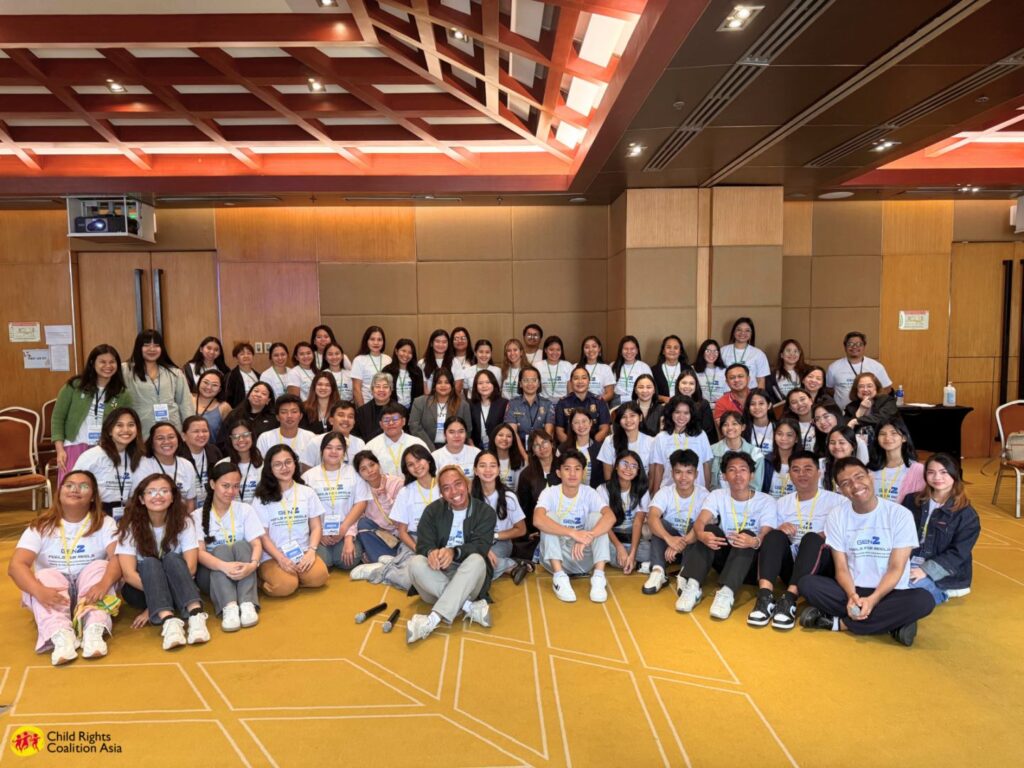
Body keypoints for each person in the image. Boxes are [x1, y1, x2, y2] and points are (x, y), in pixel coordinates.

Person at [798, 457, 935, 646]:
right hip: (852, 589)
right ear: (840, 489)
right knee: (807, 584)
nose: (855, 486)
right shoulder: (837, 515)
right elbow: (841, 568)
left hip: (889, 591)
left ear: (870, 476)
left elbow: (896, 568)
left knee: (923, 600)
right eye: (846, 483)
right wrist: (852, 596)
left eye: (859, 477)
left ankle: (839, 623)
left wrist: (873, 599)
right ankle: (891, 624)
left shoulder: (900, 514)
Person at [8, 471, 122, 665]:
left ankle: (93, 629)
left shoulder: (105, 523)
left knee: (102, 567)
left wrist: (104, 584)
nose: (75, 489)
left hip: (90, 590)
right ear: (59, 493)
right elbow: (16, 566)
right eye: (69, 485)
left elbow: (118, 558)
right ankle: (61, 635)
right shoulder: (41, 525)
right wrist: (38, 590)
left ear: (93, 496)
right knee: (43, 576)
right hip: (55, 593)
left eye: (84, 486)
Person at [748, 452, 846, 629]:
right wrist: (780, 528)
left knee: (812, 538)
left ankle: (789, 600)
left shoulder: (838, 501)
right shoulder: (781, 503)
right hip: (793, 568)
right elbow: (773, 540)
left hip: (820, 569)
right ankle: (765, 597)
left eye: (808, 469)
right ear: (790, 474)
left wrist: (826, 534)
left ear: (819, 472)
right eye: (796, 470)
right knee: (774, 535)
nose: (802, 474)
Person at [676, 451, 776, 619]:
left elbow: (767, 532)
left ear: (751, 475)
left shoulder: (766, 501)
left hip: (750, 563)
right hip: (725, 560)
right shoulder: (717, 495)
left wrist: (754, 541)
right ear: (724, 476)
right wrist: (701, 534)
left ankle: (726, 593)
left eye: (743, 470)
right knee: (709, 529)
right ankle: (693, 586)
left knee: (746, 534)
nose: (738, 475)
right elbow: (700, 522)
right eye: (732, 470)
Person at [115, 473, 209, 649]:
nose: (158, 496)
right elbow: (128, 574)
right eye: (151, 492)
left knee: (172, 558)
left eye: (164, 491)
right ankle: (170, 622)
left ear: (172, 497)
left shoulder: (184, 522)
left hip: (180, 581)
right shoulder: (129, 526)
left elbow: (191, 567)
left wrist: (155, 601)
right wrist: (156, 593)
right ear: (141, 499)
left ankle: (196, 615)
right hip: (143, 587)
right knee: (149, 563)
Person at [405, 465, 497, 644]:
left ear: (467, 484)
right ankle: (468, 606)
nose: (454, 492)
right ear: (441, 493)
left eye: (458, 484)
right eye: (446, 488)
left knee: (477, 560)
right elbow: (423, 544)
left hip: (469, 580)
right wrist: (431, 553)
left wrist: (454, 552)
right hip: (436, 578)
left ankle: (432, 620)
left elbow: (481, 546)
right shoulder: (432, 511)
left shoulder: (485, 512)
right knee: (415, 563)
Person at [351, 445, 439, 588]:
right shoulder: (406, 491)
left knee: (425, 576)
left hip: (440, 539)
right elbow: (403, 531)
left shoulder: (444, 486)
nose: (416, 466)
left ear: (428, 460)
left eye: (419, 460)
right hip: (412, 539)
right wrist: (419, 550)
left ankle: (386, 569)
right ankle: (393, 564)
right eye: (411, 464)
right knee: (415, 579)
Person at [534, 450, 616, 603]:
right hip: (556, 558)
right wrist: (573, 533)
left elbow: (610, 517)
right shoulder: (549, 492)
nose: (572, 473)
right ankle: (559, 578)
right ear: (559, 473)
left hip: (583, 557)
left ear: (583, 472)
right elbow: (537, 520)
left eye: (577, 469)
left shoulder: (589, 493)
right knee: (548, 518)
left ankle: (598, 577)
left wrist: (588, 537)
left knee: (598, 517)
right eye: (567, 469)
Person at [251, 445, 329, 597]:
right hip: (273, 555)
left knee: (320, 577)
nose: (284, 468)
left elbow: (316, 527)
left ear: (295, 463)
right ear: (270, 469)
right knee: (284, 586)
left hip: (302, 552)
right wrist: (280, 559)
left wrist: (311, 552)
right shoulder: (261, 497)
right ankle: (261, 581)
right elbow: (262, 535)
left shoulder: (307, 492)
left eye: (288, 462)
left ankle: (295, 578)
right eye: (277, 464)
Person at [903, 453, 981, 604]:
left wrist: (925, 570)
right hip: (909, 560)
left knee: (907, 587)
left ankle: (941, 593)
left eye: (944, 472)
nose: (937, 477)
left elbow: (958, 553)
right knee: (881, 581)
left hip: (942, 572)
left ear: (954, 474)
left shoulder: (966, 515)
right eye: (931, 472)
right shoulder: (911, 500)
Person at [193, 462, 262, 632]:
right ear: (212, 484)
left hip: (244, 570)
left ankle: (246, 603)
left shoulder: (245, 510)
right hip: (213, 573)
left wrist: (253, 565)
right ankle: (229, 606)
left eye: (235, 486)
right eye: (225, 486)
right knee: (221, 550)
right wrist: (223, 566)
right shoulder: (196, 516)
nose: (231, 491)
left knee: (242, 545)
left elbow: (256, 544)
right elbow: (199, 553)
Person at [52, 344, 132, 482]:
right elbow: (58, 418)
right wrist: (60, 450)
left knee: (100, 490)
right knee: (73, 488)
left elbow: (126, 423)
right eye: (102, 362)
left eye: (112, 362)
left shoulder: (122, 394)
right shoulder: (74, 386)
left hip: (105, 449)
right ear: (92, 363)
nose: (108, 366)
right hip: (74, 446)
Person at [302, 433, 372, 571]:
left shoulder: (354, 473)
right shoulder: (308, 476)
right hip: (319, 532)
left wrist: (344, 529)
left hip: (346, 530)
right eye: (329, 448)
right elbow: (304, 510)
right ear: (322, 450)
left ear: (344, 452)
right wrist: (319, 533)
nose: (334, 452)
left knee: (348, 561)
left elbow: (361, 503)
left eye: (339, 448)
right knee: (322, 562)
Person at [643, 449, 709, 596]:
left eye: (689, 472)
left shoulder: (704, 495)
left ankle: (685, 574)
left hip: (692, 545)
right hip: (668, 547)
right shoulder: (665, 492)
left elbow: (705, 524)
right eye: (678, 472)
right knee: (660, 523)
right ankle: (658, 571)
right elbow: (652, 517)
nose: (683, 477)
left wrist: (681, 543)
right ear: (672, 473)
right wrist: (669, 539)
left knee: (697, 525)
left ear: (696, 474)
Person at [73, 407, 144, 519]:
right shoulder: (92, 456)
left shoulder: (137, 456)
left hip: (126, 511)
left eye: (131, 425)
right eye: (119, 425)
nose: (126, 430)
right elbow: (74, 487)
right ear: (110, 430)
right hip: (95, 512)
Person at [122, 329, 194, 436]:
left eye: (156, 345)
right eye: (146, 345)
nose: (152, 349)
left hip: (172, 429)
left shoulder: (174, 373)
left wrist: (190, 430)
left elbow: (185, 404)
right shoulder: (125, 370)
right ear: (138, 347)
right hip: (141, 430)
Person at [472, 450, 528, 581]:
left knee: (479, 567)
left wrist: (494, 535)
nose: (488, 470)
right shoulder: (469, 497)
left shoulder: (509, 497)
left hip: (500, 542)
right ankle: (510, 565)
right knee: (467, 562)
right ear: (475, 470)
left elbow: (521, 529)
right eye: (482, 465)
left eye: (492, 466)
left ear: (498, 470)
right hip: (475, 542)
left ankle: (508, 564)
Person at [597, 450, 651, 574]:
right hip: (611, 536)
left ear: (638, 471)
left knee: (648, 552)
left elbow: (638, 522)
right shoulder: (603, 489)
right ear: (616, 466)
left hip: (633, 536)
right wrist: (619, 547)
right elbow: (603, 523)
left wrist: (632, 553)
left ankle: (632, 560)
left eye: (634, 466)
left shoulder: (642, 490)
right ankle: (636, 563)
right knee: (612, 556)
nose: (628, 469)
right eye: (624, 464)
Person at [351, 450, 405, 563]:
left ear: (379, 464)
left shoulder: (397, 483)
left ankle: (380, 560)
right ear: (359, 474)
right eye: (363, 469)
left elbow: (398, 518)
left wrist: (384, 497)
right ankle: (385, 560)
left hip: (398, 533)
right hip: (376, 534)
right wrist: (348, 538)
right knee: (362, 524)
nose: (370, 471)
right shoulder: (361, 489)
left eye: (372, 465)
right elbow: (355, 517)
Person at [649, 395, 713, 490]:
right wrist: (656, 493)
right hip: (669, 491)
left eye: (686, 413)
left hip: (697, 491)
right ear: (670, 413)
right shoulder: (661, 437)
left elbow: (706, 464)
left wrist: (706, 491)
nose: (681, 417)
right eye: (677, 412)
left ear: (692, 414)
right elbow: (659, 468)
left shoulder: (700, 435)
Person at [133, 423, 198, 514]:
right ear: (152, 443)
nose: (167, 441)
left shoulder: (187, 465)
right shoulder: (143, 465)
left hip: (180, 518)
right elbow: (137, 501)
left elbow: (190, 501)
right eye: (160, 438)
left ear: (178, 440)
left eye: (171, 437)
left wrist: (185, 520)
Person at [826, 331, 892, 411]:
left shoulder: (876, 366)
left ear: (864, 346)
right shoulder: (834, 367)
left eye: (859, 344)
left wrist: (874, 401)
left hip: (871, 413)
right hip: (842, 413)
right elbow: (829, 389)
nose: (854, 347)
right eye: (850, 344)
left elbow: (887, 388)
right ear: (845, 347)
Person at [409, 368, 470, 449]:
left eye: (447, 382)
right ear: (434, 385)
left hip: (453, 448)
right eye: (439, 382)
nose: (443, 385)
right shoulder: (420, 402)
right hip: (425, 447)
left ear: (452, 385)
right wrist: (431, 448)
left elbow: (467, 430)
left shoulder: (463, 405)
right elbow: (414, 427)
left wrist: (449, 449)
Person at [255, 395, 318, 470]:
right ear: (277, 417)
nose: (289, 416)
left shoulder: (311, 437)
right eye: (284, 412)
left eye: (294, 412)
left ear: (301, 416)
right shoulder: (265, 438)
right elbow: (260, 468)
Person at [366, 402, 429, 476]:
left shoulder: (417, 443)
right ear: (381, 424)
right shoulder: (371, 447)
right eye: (386, 420)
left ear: (403, 421)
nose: (391, 423)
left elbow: (429, 468)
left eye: (395, 419)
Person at [869, 420, 925, 503]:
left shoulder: (918, 470)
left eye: (893, 433)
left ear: (904, 438)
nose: (887, 438)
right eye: (882, 434)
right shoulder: (870, 469)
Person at [554, 366, 612, 444]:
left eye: (584, 378)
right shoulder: (562, 403)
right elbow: (559, 432)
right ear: (571, 382)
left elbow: (604, 429)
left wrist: (590, 446)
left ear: (589, 381)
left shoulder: (599, 402)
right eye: (576, 378)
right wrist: (573, 447)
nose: (580, 381)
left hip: (594, 446)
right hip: (570, 447)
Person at [597, 402, 654, 480]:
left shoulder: (651, 442)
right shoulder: (609, 441)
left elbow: (652, 475)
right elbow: (608, 474)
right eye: (624, 417)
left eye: (632, 415)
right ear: (619, 421)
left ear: (640, 417)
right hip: (616, 486)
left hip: (642, 486)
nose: (628, 420)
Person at [709, 412, 764, 491]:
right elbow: (710, 483)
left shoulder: (755, 453)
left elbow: (755, 488)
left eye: (734, 424)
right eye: (725, 425)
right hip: (718, 497)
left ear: (743, 427)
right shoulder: (712, 451)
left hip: (745, 498)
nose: (730, 428)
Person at [504, 365, 555, 448]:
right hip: (517, 448)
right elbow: (512, 433)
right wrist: (524, 454)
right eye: (526, 380)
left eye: (534, 380)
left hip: (541, 448)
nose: (530, 384)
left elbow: (548, 434)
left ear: (539, 384)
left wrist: (540, 450)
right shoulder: (513, 404)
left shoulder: (547, 404)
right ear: (520, 384)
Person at [303, 401, 365, 467]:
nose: (346, 419)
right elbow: (306, 470)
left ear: (354, 422)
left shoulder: (360, 444)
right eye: (341, 415)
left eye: (350, 416)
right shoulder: (316, 442)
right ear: (331, 420)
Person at [180, 415, 222, 508]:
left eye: (205, 431)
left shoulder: (214, 451)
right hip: (184, 507)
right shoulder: (177, 455)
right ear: (183, 436)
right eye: (196, 431)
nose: (201, 435)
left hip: (210, 506)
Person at [560, 408, 603, 489]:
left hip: (594, 493)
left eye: (584, 421)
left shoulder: (600, 449)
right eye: (576, 422)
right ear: (572, 426)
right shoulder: (563, 449)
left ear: (590, 423)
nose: (581, 425)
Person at [721, 317, 769, 389]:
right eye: (739, 330)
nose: (743, 333)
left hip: (750, 393)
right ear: (733, 332)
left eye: (747, 330)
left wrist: (758, 395)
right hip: (727, 392)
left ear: (751, 334)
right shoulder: (723, 351)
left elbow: (761, 380)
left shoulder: (759, 354)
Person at [222, 419, 263, 503]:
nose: (241, 439)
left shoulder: (265, 465)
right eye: (235, 436)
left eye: (245, 435)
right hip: (231, 510)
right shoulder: (222, 465)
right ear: (230, 440)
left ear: (252, 436)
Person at [350, 325, 391, 407]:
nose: (376, 343)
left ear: (383, 342)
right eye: (372, 339)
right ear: (366, 341)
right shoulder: (359, 360)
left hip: (386, 406)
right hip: (367, 405)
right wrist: (363, 410)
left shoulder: (388, 359)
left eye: (379, 339)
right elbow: (356, 389)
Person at [468, 370, 508, 450]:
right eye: (480, 383)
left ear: (494, 384)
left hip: (499, 447)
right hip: (475, 447)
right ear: (475, 386)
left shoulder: (504, 404)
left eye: (488, 382)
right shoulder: (470, 404)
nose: (484, 386)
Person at [677, 369, 717, 445]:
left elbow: (708, 431)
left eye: (691, 383)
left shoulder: (703, 404)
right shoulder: (672, 403)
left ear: (696, 386)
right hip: (676, 443)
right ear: (678, 384)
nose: (687, 386)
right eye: (684, 383)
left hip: (698, 444)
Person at [762, 419, 800, 498]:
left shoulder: (803, 462)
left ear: (796, 439)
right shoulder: (765, 461)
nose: (784, 438)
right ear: (774, 436)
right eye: (779, 434)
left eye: (789, 435)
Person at [192, 371, 231, 447]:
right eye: (205, 382)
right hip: (184, 450)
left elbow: (230, 432)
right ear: (199, 382)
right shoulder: (187, 399)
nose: (209, 387)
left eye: (214, 385)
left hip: (211, 451)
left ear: (220, 389)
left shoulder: (224, 407)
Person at [611, 335, 652, 407]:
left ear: (637, 351)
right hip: (617, 400)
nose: (629, 352)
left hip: (637, 399)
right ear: (620, 351)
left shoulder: (644, 367)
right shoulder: (613, 366)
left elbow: (650, 388)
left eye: (632, 349)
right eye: (625, 349)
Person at [383, 338, 424, 409]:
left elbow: (419, 395)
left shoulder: (417, 371)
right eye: (403, 351)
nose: (406, 355)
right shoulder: (387, 370)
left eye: (410, 352)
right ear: (396, 351)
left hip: (413, 410)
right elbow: (384, 393)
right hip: (392, 410)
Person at [420, 329, 464, 394]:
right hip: (429, 399)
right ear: (431, 343)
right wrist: (430, 399)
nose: (441, 344)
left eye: (444, 342)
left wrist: (447, 399)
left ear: (448, 344)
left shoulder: (455, 362)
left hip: (450, 399)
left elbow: (458, 386)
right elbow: (423, 387)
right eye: (437, 341)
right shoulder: (422, 363)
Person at [354, 372, 395, 442]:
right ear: (372, 390)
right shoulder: (361, 412)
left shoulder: (400, 410)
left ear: (391, 390)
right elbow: (357, 437)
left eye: (385, 387)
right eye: (377, 386)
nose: (381, 390)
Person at [491, 422, 526, 492]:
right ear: (494, 437)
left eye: (509, 436)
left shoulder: (521, 462)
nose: (504, 438)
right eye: (500, 435)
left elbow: (520, 490)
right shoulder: (486, 459)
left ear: (513, 440)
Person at [579, 335, 615, 403]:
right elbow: (571, 391)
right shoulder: (575, 367)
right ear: (583, 350)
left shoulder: (606, 368)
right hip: (579, 404)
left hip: (599, 404)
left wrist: (596, 403)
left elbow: (610, 393)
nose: (591, 350)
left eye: (594, 346)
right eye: (587, 347)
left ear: (599, 349)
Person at [223, 342, 260, 409]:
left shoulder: (258, 375)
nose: (246, 356)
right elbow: (227, 399)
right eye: (242, 354)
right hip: (239, 411)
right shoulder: (230, 376)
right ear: (236, 358)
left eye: (249, 353)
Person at [652, 335, 688, 402]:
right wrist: (663, 398)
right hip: (661, 406)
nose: (672, 350)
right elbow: (650, 392)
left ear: (680, 351)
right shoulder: (654, 370)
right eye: (668, 347)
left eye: (676, 348)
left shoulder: (687, 369)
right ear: (663, 351)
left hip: (683, 405)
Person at [538, 335, 574, 402]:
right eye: (551, 349)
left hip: (563, 402)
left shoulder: (567, 365)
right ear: (545, 350)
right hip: (543, 402)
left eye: (558, 350)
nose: (555, 353)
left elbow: (571, 389)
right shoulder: (538, 366)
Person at [693, 340, 727, 408]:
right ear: (702, 352)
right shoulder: (693, 369)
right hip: (699, 407)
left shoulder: (724, 371)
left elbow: (727, 392)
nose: (712, 354)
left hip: (720, 407)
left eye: (715, 351)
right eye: (708, 351)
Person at [742, 388, 776, 456]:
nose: (757, 407)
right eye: (752, 404)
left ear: (769, 405)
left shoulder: (777, 427)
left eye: (761, 403)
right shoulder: (743, 429)